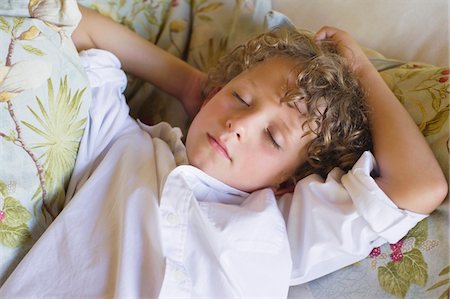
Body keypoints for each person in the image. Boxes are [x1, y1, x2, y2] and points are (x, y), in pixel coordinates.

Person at [0, 4, 447, 298]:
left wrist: (359, 66)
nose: (239, 125)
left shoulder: (283, 227)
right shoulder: (123, 143)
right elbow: (73, 25)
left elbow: (418, 186)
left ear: (289, 179)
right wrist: (190, 85)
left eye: (273, 138)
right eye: (241, 97)